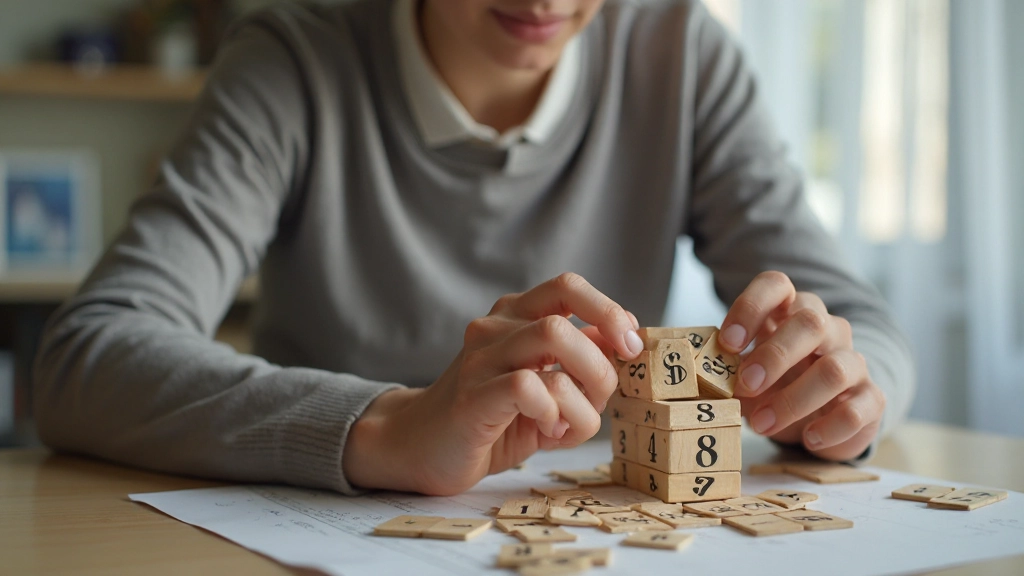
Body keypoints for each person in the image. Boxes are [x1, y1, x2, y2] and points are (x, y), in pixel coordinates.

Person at [32, 0, 913, 496]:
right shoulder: (293, 59)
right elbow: (87, 357)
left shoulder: (684, 57)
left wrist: (841, 390)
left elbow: (864, 328)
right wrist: (386, 427)